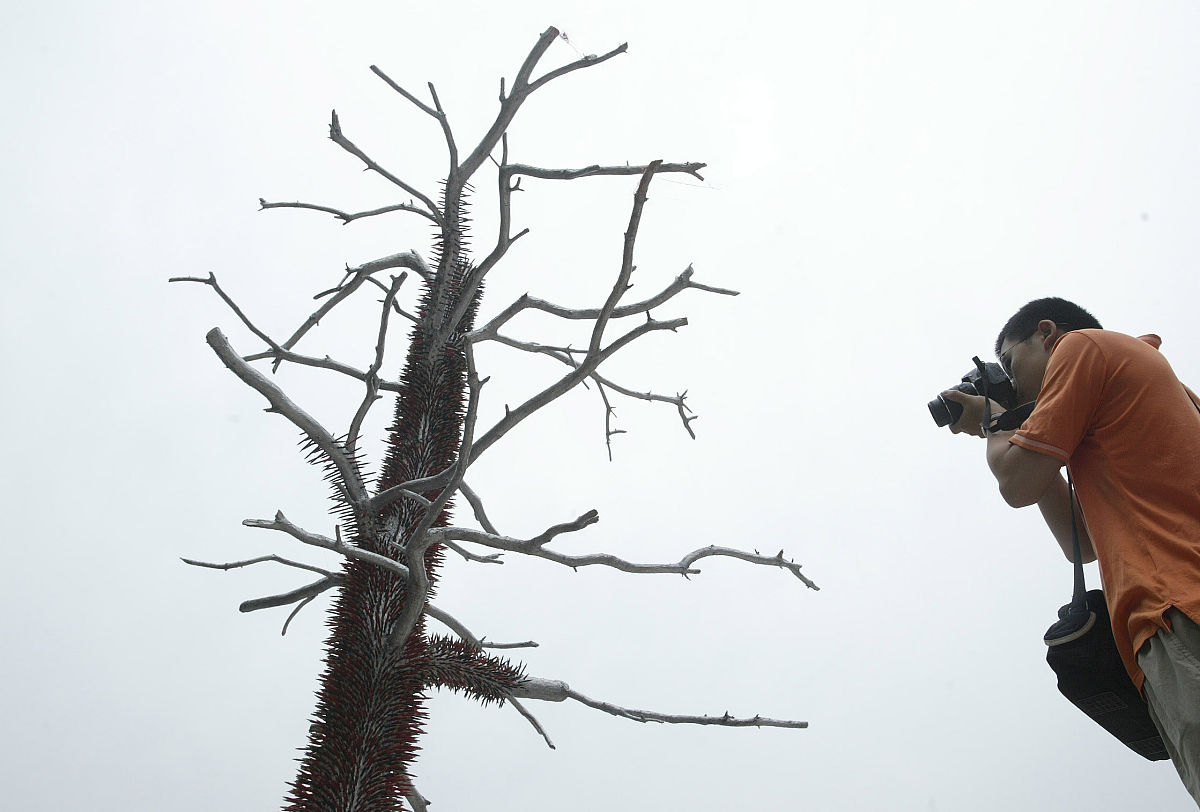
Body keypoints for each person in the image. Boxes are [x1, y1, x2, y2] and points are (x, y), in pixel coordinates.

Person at [943, 297, 1200, 805]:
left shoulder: (1080, 347)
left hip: (1176, 604)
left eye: (1012, 365)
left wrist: (997, 424)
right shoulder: (1157, 381)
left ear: (1047, 333)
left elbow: (1016, 482)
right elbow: (1076, 538)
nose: (1013, 385)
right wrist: (1017, 427)